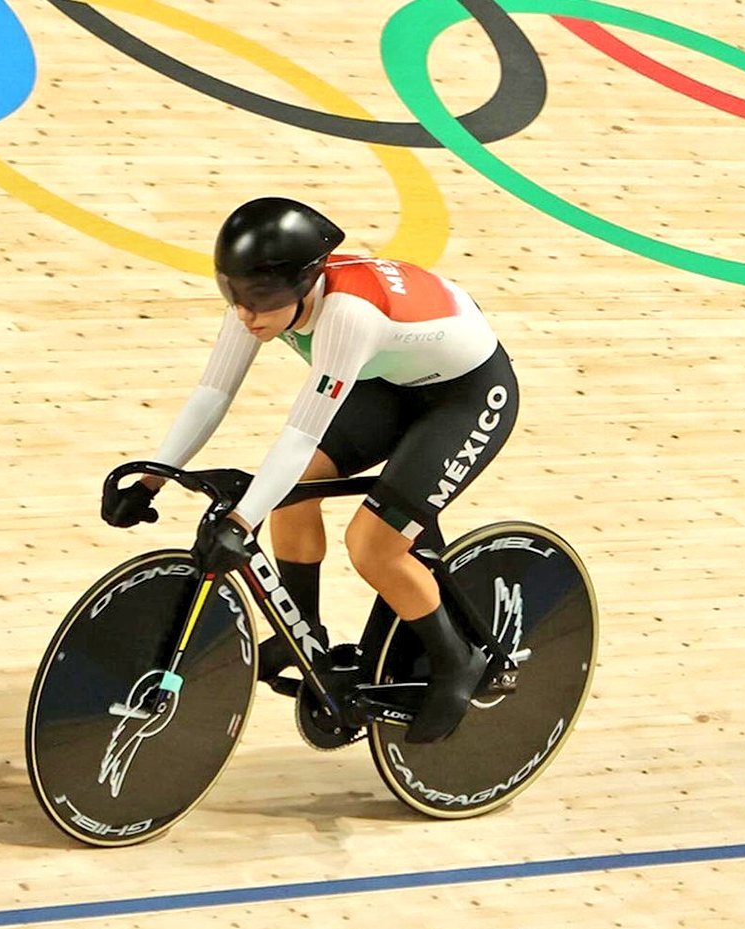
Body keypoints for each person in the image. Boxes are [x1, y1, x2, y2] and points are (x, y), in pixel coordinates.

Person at [101, 197, 519, 743]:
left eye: (263, 300)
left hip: (465, 397)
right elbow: (212, 392)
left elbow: (299, 436)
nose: (248, 314)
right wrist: (152, 478)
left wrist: (243, 521)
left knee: (373, 544)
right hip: (393, 381)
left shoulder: (347, 317)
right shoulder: (258, 304)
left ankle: (456, 662)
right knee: (292, 491)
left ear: (305, 284)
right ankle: (303, 630)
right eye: (235, 295)